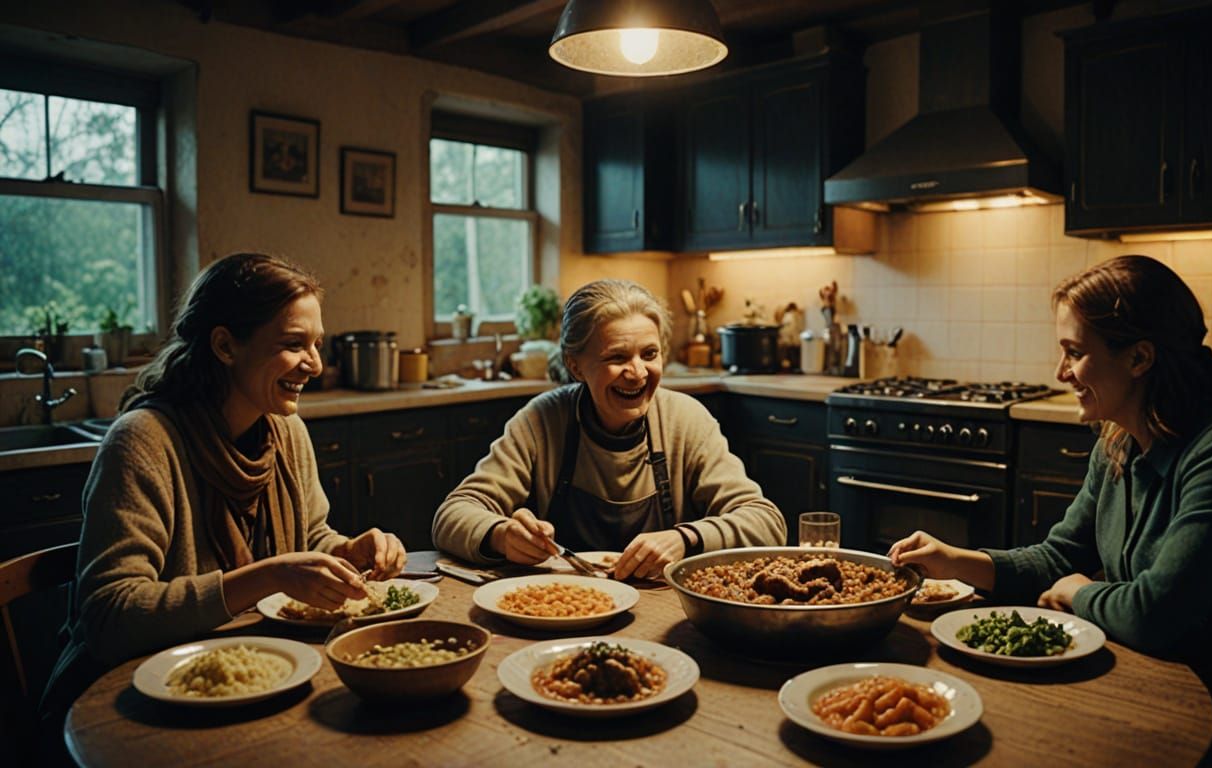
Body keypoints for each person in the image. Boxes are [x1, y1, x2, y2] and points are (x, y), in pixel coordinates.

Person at [888, 254, 1212, 764]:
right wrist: (955, 560)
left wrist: (1081, 593)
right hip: (1155, 684)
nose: (1060, 372)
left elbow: (1153, 615)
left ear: (1139, 358)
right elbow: (1058, 558)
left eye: (1074, 353)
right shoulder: (1117, 441)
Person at [40, 253, 406, 729]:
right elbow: (110, 619)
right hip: (126, 705)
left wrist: (348, 551)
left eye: (317, 344)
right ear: (225, 346)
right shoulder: (144, 441)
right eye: (294, 344)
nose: (314, 365)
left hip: (248, 675)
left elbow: (311, 537)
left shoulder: (285, 430)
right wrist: (267, 576)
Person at [432, 278, 785, 580]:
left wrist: (687, 539)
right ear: (576, 366)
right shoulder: (543, 421)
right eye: (617, 357)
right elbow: (452, 515)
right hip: (564, 605)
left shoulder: (685, 420)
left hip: (666, 608)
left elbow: (766, 522)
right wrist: (501, 535)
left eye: (649, 354)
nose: (638, 372)